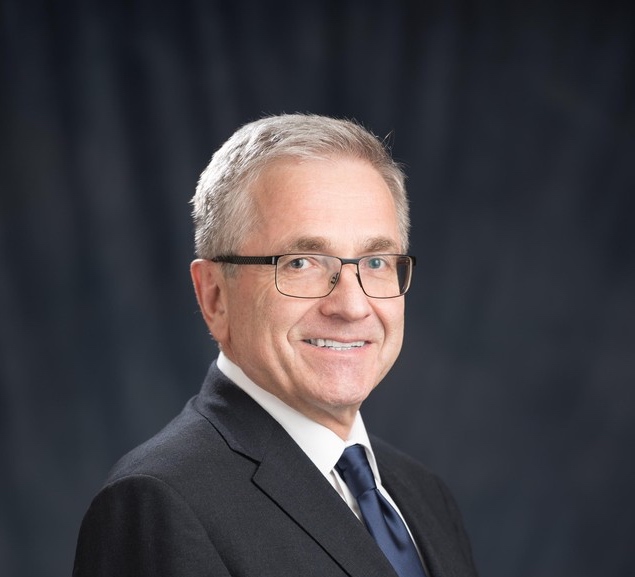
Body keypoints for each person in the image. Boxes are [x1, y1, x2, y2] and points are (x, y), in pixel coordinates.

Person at [73, 113, 479, 577]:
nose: (352, 306)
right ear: (214, 295)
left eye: (375, 261)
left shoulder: (424, 496)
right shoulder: (158, 502)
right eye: (301, 263)